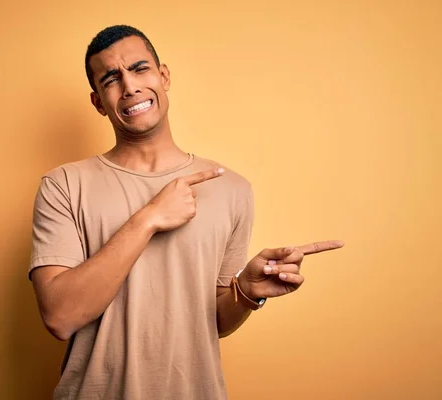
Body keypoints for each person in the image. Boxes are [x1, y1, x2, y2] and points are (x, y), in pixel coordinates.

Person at [29, 25, 344, 400]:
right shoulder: (63, 185)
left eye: (139, 68)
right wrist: (149, 218)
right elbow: (60, 317)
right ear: (98, 101)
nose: (130, 86)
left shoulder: (232, 189)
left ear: (163, 76)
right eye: (112, 79)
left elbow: (211, 322)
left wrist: (245, 292)